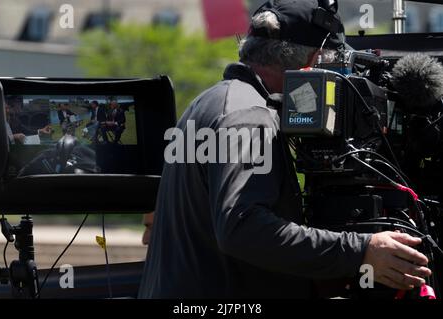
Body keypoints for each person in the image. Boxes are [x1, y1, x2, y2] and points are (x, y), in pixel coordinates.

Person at [139, 0, 431, 299]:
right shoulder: (249, 116)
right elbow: (242, 228)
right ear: (314, 63)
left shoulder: (207, 103)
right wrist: (361, 251)